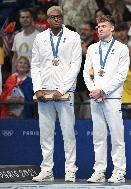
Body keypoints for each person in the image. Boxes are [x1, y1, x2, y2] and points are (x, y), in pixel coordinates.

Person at [31, 6, 82, 182]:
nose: (56, 19)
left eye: (59, 16)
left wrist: (62, 89)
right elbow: (35, 65)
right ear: (47, 19)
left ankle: (70, 170)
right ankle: (46, 170)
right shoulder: (40, 38)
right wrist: (37, 88)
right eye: (53, 17)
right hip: (44, 91)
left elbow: (76, 65)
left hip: (65, 92)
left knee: (68, 133)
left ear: (63, 18)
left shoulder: (73, 37)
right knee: (45, 133)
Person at [83, 15, 130, 183]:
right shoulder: (92, 49)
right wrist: (94, 91)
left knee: (117, 136)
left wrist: (103, 91)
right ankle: (99, 170)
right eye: (98, 26)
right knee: (99, 136)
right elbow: (86, 73)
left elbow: (121, 76)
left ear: (112, 28)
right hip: (95, 98)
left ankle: (119, 171)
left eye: (103, 26)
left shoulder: (122, 49)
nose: (100, 29)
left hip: (112, 97)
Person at [11, 8, 40, 73]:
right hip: (20, 78)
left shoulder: (40, 36)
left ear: (32, 19)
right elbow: (15, 58)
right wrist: (13, 76)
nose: (25, 19)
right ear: (19, 19)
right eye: (22, 17)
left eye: (27, 17)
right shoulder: (17, 36)